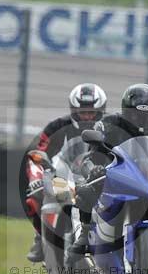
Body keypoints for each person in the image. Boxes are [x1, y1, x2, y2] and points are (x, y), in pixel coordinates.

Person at [66, 83, 148, 264]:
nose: (142, 120)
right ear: (125, 111)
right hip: (115, 177)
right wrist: (94, 169)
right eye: (136, 114)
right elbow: (90, 156)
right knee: (85, 191)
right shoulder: (108, 124)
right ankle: (85, 234)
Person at [24, 83, 108, 262]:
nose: (86, 117)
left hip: (100, 181)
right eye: (82, 112)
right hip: (64, 179)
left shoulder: (111, 127)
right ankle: (40, 237)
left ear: (101, 111)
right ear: (73, 110)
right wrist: (37, 178)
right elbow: (38, 153)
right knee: (35, 196)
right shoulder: (57, 127)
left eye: (91, 112)